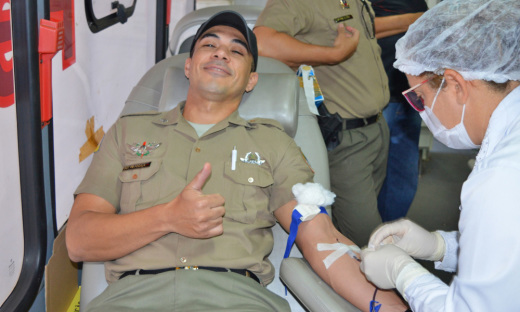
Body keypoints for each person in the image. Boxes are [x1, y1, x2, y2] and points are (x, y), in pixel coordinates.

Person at [66, 10, 408, 312]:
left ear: (251, 80)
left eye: (236, 51)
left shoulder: (274, 143)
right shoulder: (127, 132)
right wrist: (168, 218)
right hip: (131, 299)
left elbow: (320, 238)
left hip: (236, 299)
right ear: (188, 66)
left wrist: (386, 304)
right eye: (209, 44)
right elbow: (79, 240)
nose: (221, 53)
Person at [359, 0, 520, 311]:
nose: (422, 112)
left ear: (456, 85)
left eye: (420, 97)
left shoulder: (500, 180)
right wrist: (441, 246)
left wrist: (404, 275)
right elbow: (506, 252)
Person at [254, 0, 390, 246]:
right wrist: (333, 55)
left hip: (377, 127)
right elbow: (262, 43)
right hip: (347, 139)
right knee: (365, 237)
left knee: (356, 227)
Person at [373, 1, 427, 222]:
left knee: (404, 177)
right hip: (376, 101)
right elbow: (362, 29)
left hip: (410, 99)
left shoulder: (416, 2)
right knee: (371, 175)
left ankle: (391, 232)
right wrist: (417, 20)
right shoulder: (363, 4)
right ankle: (365, 235)